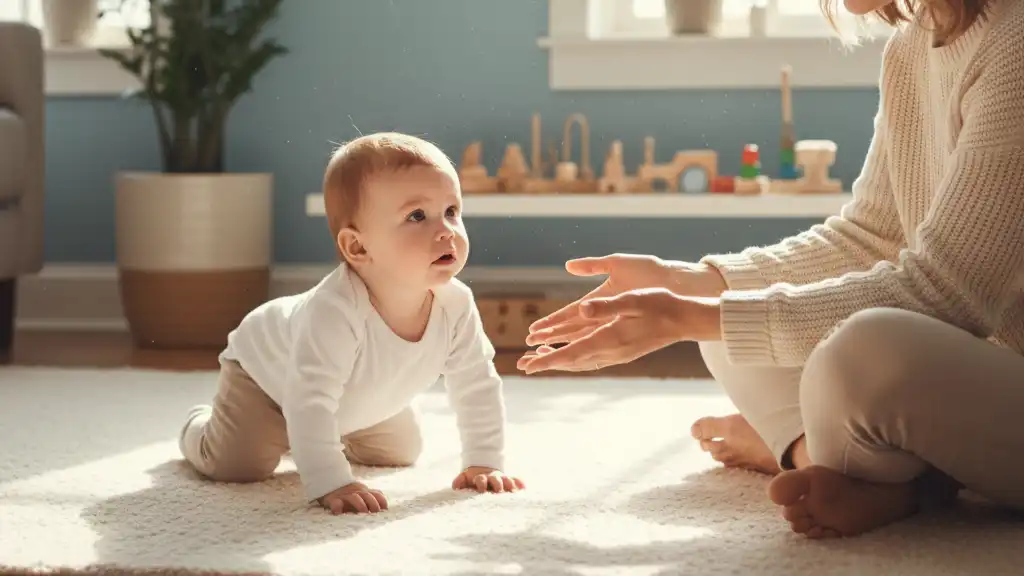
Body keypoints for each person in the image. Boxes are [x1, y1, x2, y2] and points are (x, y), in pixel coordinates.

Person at [519, 0, 1024, 539]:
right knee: (735, 321)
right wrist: (689, 283)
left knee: (861, 350)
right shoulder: (913, 46)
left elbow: (950, 292)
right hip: (980, 383)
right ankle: (861, 470)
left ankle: (826, 458)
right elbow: (871, 235)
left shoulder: (1015, 45)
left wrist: (685, 318)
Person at [179, 132, 524, 515]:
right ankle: (200, 426)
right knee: (239, 465)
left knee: (401, 452)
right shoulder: (336, 311)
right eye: (416, 216)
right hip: (267, 382)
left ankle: (325, 434)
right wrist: (330, 479)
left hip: (355, 399)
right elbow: (308, 399)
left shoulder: (456, 305)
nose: (446, 230)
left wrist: (484, 459)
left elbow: (477, 383)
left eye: (451, 212)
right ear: (358, 248)